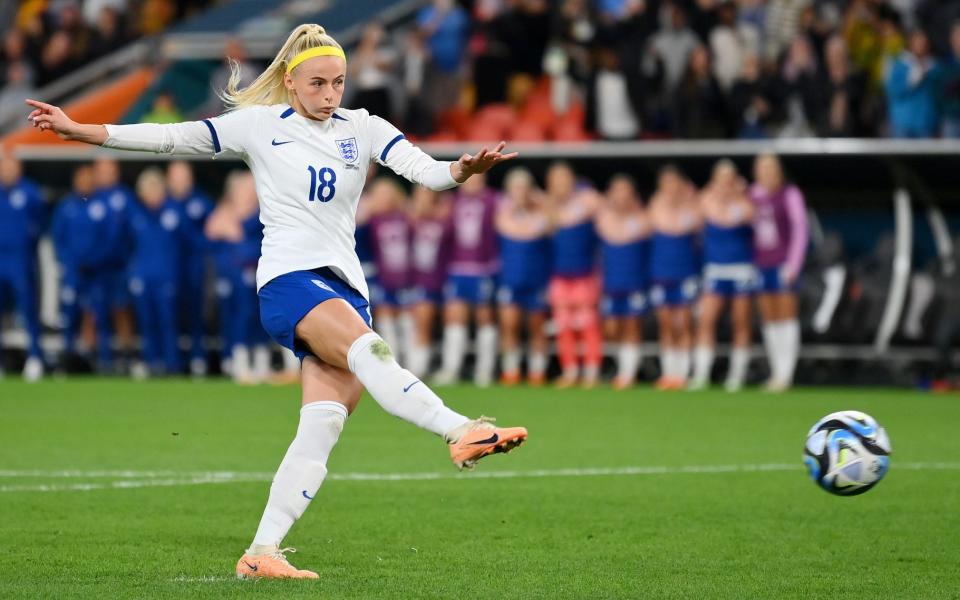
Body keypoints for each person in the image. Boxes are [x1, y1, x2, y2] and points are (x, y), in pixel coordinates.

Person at [25, 23, 525, 579]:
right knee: (372, 352)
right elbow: (172, 138)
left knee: (322, 428)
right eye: (318, 83)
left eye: (338, 82)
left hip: (345, 290)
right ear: (291, 81)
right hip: (289, 281)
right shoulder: (260, 127)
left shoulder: (363, 127)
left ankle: (261, 553)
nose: (330, 94)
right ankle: (459, 430)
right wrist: (83, 131)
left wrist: (461, 169)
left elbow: (425, 172)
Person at [689, 160, 755, 392]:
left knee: (741, 321)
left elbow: (749, 217)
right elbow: (696, 222)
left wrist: (738, 195)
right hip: (715, 268)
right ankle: (701, 374)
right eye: (721, 178)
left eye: (729, 178)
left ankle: (736, 376)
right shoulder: (705, 201)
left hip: (741, 269)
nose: (725, 183)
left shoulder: (746, 202)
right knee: (706, 320)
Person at [434, 172, 500, 387]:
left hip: (483, 268)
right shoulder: (453, 202)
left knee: (484, 316)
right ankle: (451, 368)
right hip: (458, 267)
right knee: (455, 317)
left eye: (477, 179)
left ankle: (484, 371)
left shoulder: (493, 200)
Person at [750, 153, 808, 392]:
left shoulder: (790, 195)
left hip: (783, 263)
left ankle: (787, 374)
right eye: (762, 169)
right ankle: (776, 372)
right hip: (761, 264)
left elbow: (800, 230)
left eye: (771, 169)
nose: (767, 174)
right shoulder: (751, 195)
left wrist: (793, 264)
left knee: (786, 316)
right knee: (769, 317)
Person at [126, 167, 188, 376]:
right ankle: (151, 363)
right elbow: (127, 248)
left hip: (166, 278)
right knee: (147, 323)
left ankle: (172, 365)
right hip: (143, 277)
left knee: (168, 322)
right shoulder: (135, 215)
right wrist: (133, 274)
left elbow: (186, 246)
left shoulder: (174, 212)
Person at [545, 161, 602, 389]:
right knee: (563, 324)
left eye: (563, 178)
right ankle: (570, 370)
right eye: (555, 180)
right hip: (559, 274)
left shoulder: (587, 201)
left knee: (587, 323)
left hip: (585, 273)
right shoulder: (549, 207)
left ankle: (591, 370)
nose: (560, 184)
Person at [495, 167, 551, 386]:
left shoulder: (542, 215)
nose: (520, 193)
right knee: (510, 324)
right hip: (511, 277)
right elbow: (512, 229)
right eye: (516, 189)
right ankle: (512, 370)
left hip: (536, 277)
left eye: (524, 188)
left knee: (537, 326)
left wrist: (540, 200)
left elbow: (549, 223)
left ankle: (537, 371)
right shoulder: (502, 214)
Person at [648, 165, 701, 390]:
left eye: (674, 183)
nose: (670, 189)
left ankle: (683, 372)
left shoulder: (692, 208)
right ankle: (669, 373)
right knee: (666, 324)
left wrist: (689, 197)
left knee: (684, 323)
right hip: (661, 272)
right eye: (666, 184)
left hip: (685, 272)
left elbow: (689, 226)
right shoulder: (655, 208)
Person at [596, 174, 651, 390]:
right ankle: (622, 367)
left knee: (632, 326)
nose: (621, 196)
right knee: (611, 329)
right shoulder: (604, 218)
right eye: (617, 191)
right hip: (611, 281)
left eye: (625, 191)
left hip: (634, 280)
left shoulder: (643, 218)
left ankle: (627, 374)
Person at [0, 153, 45, 381]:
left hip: (20, 260)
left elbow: (39, 225)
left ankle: (35, 357)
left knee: (28, 311)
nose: (7, 171)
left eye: (11, 166)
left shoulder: (30, 192)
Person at [167, 160, 214, 376]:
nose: (179, 182)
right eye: (175, 177)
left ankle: (198, 358)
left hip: (195, 268)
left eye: (183, 177)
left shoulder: (201, 202)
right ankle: (173, 361)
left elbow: (211, 236)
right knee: (170, 316)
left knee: (197, 316)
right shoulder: (164, 203)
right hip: (169, 269)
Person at [90, 157, 136, 372]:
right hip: (96, 269)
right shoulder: (90, 197)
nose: (106, 174)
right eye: (102, 170)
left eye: (110, 169)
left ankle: (126, 357)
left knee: (121, 310)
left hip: (120, 267)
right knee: (95, 312)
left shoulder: (125, 198)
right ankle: (101, 358)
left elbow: (134, 232)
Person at [52, 165, 95, 369]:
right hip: (72, 272)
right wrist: (66, 261)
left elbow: (109, 238)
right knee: (69, 314)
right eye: (81, 179)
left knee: (95, 314)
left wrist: (95, 260)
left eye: (89, 179)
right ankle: (67, 358)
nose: (85, 183)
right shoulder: (67, 206)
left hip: (96, 272)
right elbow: (57, 238)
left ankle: (97, 359)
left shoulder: (100, 205)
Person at [407, 184, 453, 378]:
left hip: (442, 276)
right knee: (419, 322)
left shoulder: (445, 220)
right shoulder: (409, 220)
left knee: (446, 322)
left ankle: (447, 368)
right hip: (415, 278)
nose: (423, 200)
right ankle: (417, 368)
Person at [368, 177, 413, 364]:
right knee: (384, 320)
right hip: (381, 276)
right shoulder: (369, 221)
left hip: (406, 275)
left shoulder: (407, 217)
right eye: (379, 195)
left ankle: (412, 364)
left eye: (387, 194)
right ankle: (389, 363)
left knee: (407, 320)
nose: (384, 199)